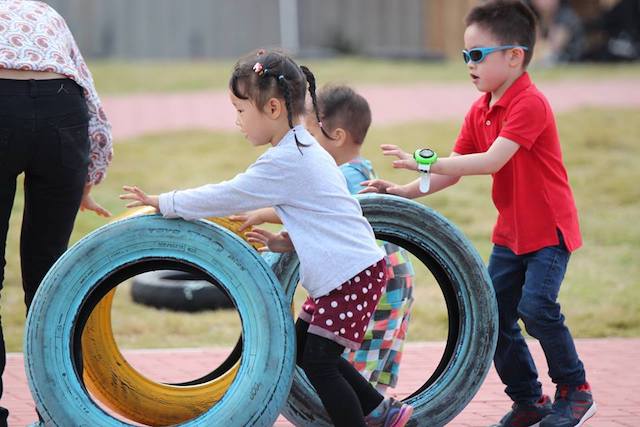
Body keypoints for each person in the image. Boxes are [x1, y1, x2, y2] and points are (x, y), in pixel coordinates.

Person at [120, 49, 413, 427]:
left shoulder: (287, 159)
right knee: (306, 350)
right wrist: (285, 242)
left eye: (242, 111)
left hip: (351, 276)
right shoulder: (305, 148)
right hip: (351, 271)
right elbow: (327, 218)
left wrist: (164, 201)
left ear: (273, 108)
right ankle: (385, 412)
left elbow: (225, 195)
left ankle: (371, 418)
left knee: (320, 363)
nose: (237, 121)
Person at [360, 1, 596, 426]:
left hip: (548, 232)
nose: (468, 65)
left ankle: (575, 389)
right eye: (464, 55)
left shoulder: (530, 104)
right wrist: (403, 192)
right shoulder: (481, 108)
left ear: (514, 56)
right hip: (511, 235)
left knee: (537, 308)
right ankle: (529, 400)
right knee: (493, 315)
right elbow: (454, 171)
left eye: (477, 55)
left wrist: (424, 160)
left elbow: (490, 161)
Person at [231, 84, 416, 394]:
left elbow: (317, 208)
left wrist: (264, 212)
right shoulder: (360, 169)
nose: (308, 145)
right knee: (363, 361)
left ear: (339, 137)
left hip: (372, 282)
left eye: (313, 136)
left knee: (350, 363)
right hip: (388, 277)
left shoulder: (343, 177)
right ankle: (375, 412)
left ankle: (371, 414)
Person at [0, 1, 113, 425]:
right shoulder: (45, 13)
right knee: (50, 279)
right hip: (62, 109)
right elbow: (86, 88)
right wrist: (89, 172)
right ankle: (63, 414)